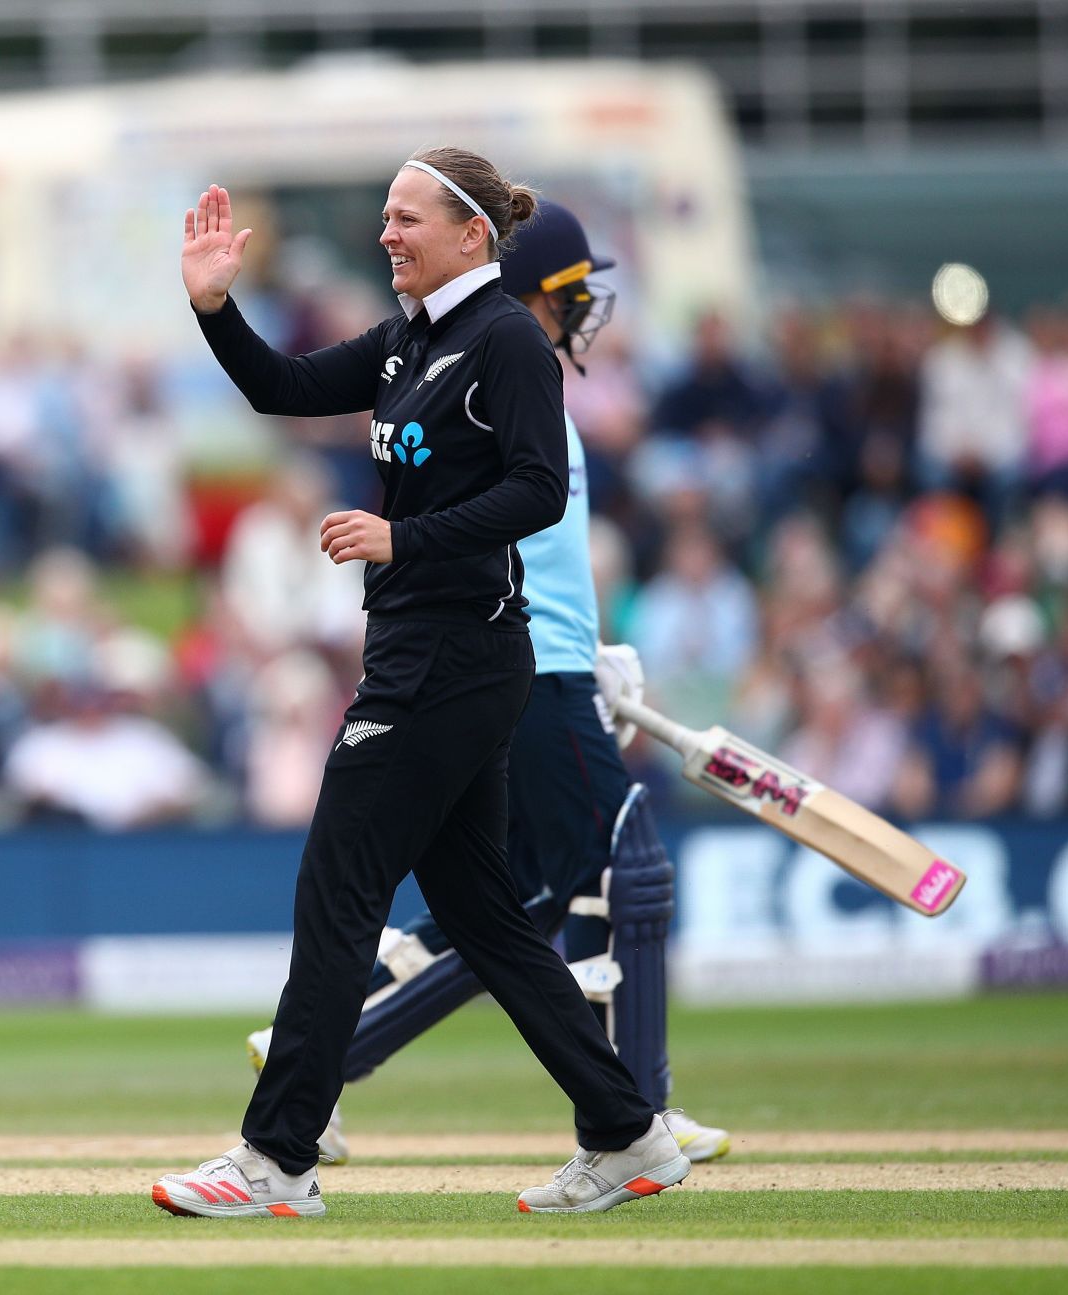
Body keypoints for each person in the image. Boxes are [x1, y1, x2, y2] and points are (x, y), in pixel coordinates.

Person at [151, 156, 688, 1219]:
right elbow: (284, 387)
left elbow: (537, 489)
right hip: (432, 652)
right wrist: (216, 307)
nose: (386, 235)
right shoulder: (413, 337)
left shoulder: (507, 342)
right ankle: (631, 1132)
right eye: (386, 218)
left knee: (339, 887)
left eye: (406, 219)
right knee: (484, 915)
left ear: (472, 235)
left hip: (450, 656)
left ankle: (275, 1158)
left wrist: (404, 537)